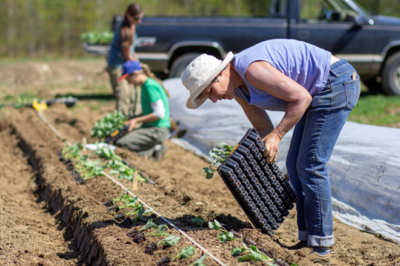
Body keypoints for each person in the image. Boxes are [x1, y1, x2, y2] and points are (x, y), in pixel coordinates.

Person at [181, 39, 360, 265]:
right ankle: (308, 240)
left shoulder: (251, 70)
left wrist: (277, 136)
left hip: (336, 81)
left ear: (219, 75)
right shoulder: (239, 91)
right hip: (320, 89)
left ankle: (322, 246)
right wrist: (253, 152)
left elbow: (301, 98)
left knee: (310, 165)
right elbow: (263, 127)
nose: (214, 99)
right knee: (296, 166)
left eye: (210, 92)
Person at [115, 61, 171, 161]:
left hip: (157, 130)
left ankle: (154, 150)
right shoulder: (147, 85)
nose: (128, 82)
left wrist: (136, 120)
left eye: (128, 78)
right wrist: (133, 118)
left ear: (135, 74)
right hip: (153, 128)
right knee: (123, 141)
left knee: (122, 143)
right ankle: (152, 148)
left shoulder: (150, 86)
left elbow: (159, 113)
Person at [106, 3, 144, 117]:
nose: (139, 21)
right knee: (124, 95)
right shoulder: (125, 31)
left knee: (134, 93)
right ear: (128, 16)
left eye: (140, 18)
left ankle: (133, 118)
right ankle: (121, 123)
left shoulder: (132, 26)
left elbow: (131, 51)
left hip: (126, 64)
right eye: (136, 18)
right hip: (117, 66)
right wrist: (139, 65)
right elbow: (127, 55)